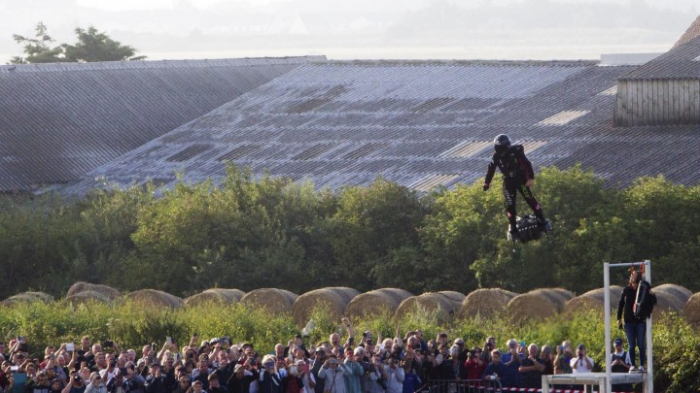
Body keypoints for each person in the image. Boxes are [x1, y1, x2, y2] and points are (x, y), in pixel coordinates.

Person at [483, 134, 550, 240]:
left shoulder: (516, 151)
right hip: (509, 183)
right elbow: (490, 169)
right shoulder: (496, 157)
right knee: (510, 205)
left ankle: (541, 218)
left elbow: (527, 163)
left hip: (521, 181)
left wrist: (530, 178)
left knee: (530, 199)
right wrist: (487, 183)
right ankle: (513, 227)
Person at [617, 269, 652, 373]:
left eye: (634, 275)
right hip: (628, 322)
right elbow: (620, 305)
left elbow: (649, 302)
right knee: (632, 345)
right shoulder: (626, 290)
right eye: (631, 275)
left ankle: (641, 365)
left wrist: (651, 295)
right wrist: (618, 319)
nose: (631, 276)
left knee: (641, 344)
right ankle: (632, 365)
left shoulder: (642, 289)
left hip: (640, 321)